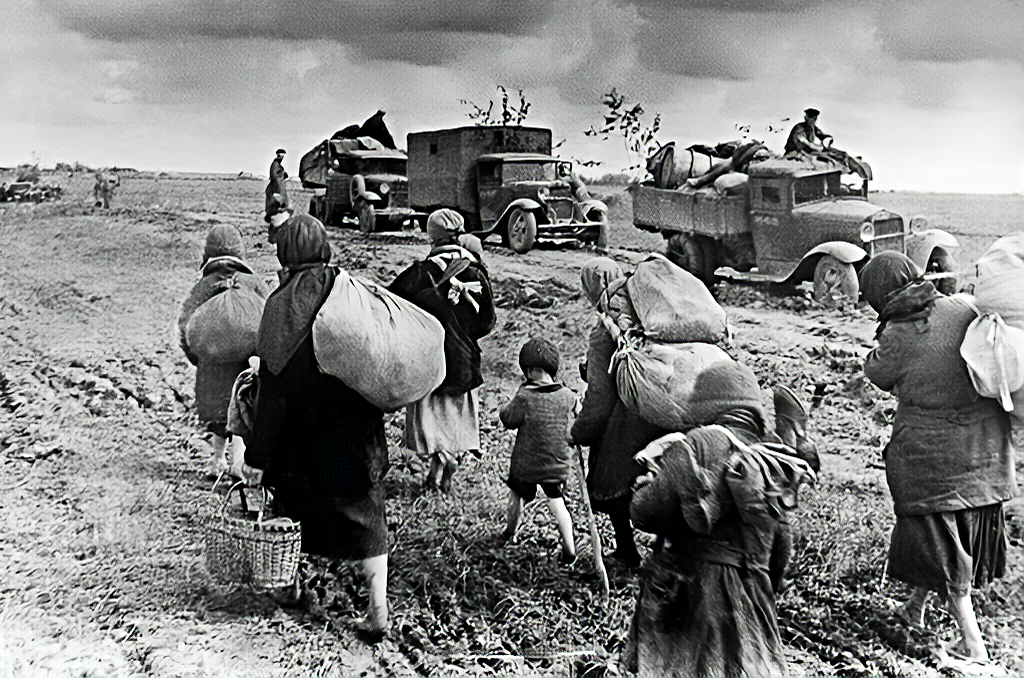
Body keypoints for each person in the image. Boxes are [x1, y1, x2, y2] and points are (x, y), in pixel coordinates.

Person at [860, 251, 1017, 671]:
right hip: (987, 455)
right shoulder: (963, 306)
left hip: (935, 466)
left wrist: (881, 336)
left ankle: (975, 649)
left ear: (878, 296)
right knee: (946, 542)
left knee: (944, 553)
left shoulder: (896, 334)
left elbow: (875, 372)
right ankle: (914, 609)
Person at [240, 214, 390, 641]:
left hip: (301, 442)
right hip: (358, 433)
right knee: (369, 516)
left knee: (292, 510)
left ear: (285, 252)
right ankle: (378, 609)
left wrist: (257, 455)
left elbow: (273, 390)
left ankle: (290, 587)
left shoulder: (279, 305)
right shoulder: (353, 292)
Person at [623, 405, 815, 677]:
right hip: (751, 587)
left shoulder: (697, 443)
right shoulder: (768, 464)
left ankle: (702, 501)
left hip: (693, 585)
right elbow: (782, 541)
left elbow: (645, 514)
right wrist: (767, 587)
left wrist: (645, 487)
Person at [388, 209, 496, 493]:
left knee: (432, 424)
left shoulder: (419, 274)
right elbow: (487, 322)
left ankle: (445, 459)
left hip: (429, 364)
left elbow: (391, 308)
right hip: (464, 363)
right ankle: (438, 473)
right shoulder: (477, 272)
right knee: (452, 421)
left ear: (431, 236)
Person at [570, 257, 667, 568]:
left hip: (627, 421)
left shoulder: (604, 331)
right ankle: (664, 550)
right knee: (664, 481)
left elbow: (599, 397)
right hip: (665, 412)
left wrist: (580, 431)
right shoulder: (653, 318)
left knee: (611, 484)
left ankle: (627, 550)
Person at [178, 224, 267, 479]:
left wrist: (198, 356)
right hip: (246, 366)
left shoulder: (204, 285)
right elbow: (271, 315)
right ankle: (238, 460)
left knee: (220, 420)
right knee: (243, 412)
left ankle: (218, 460)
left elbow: (186, 325)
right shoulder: (253, 282)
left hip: (213, 369)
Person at [499, 338, 581, 564]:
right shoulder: (567, 395)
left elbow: (509, 420)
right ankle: (569, 549)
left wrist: (505, 406)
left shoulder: (524, 396)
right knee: (557, 503)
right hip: (556, 463)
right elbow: (579, 414)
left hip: (526, 464)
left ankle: (511, 532)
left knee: (516, 495)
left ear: (527, 371)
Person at [266, 148, 289, 215]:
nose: (282, 158)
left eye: (283, 156)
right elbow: (274, 176)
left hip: (278, 187)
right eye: (281, 156)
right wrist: (282, 174)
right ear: (278, 156)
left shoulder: (278, 165)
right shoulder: (275, 165)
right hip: (276, 188)